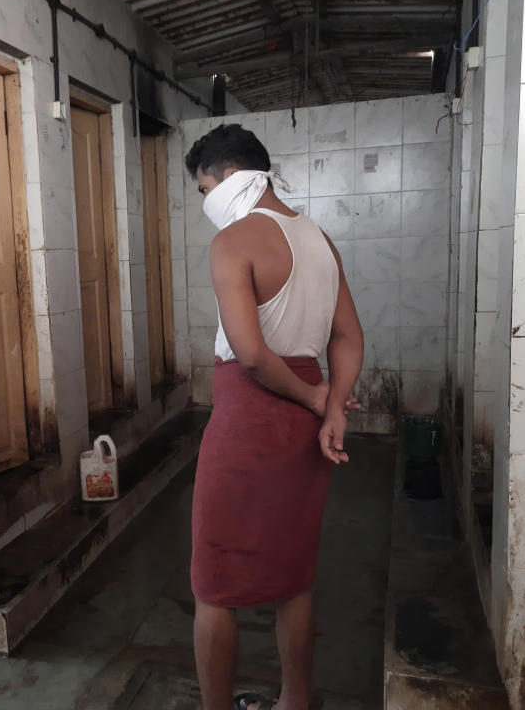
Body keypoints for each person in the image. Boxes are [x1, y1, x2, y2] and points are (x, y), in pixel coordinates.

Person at [185, 124, 364, 710]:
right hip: (303, 430)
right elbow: (348, 336)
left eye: (203, 187)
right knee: (294, 576)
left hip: (249, 420)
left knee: (214, 584)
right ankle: (295, 700)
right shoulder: (319, 239)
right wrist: (332, 402)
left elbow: (254, 355)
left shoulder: (233, 244)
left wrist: (321, 401)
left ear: (228, 178)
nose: (204, 201)